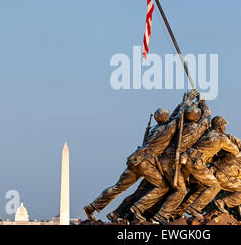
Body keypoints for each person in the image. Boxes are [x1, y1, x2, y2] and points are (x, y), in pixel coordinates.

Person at [83, 90, 198, 221]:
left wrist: (184, 102)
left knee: (118, 187)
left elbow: (173, 117)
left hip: (135, 159)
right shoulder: (167, 129)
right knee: (163, 186)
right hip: (146, 162)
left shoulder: (155, 128)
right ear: (165, 118)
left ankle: (92, 206)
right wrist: (187, 101)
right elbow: (179, 117)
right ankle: (138, 209)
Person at [148, 96, 211, 223]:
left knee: (169, 188)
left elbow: (172, 117)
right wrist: (202, 102)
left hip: (163, 160)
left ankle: (155, 213)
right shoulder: (196, 128)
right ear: (197, 117)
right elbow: (207, 117)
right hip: (171, 163)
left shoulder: (178, 126)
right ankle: (160, 216)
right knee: (181, 191)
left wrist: (185, 103)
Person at [181, 116, 241, 219]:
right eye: (224, 126)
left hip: (187, 158)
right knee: (215, 186)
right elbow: (235, 150)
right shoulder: (221, 138)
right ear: (220, 127)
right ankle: (194, 208)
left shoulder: (206, 133)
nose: (225, 129)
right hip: (196, 162)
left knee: (194, 187)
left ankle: (178, 210)